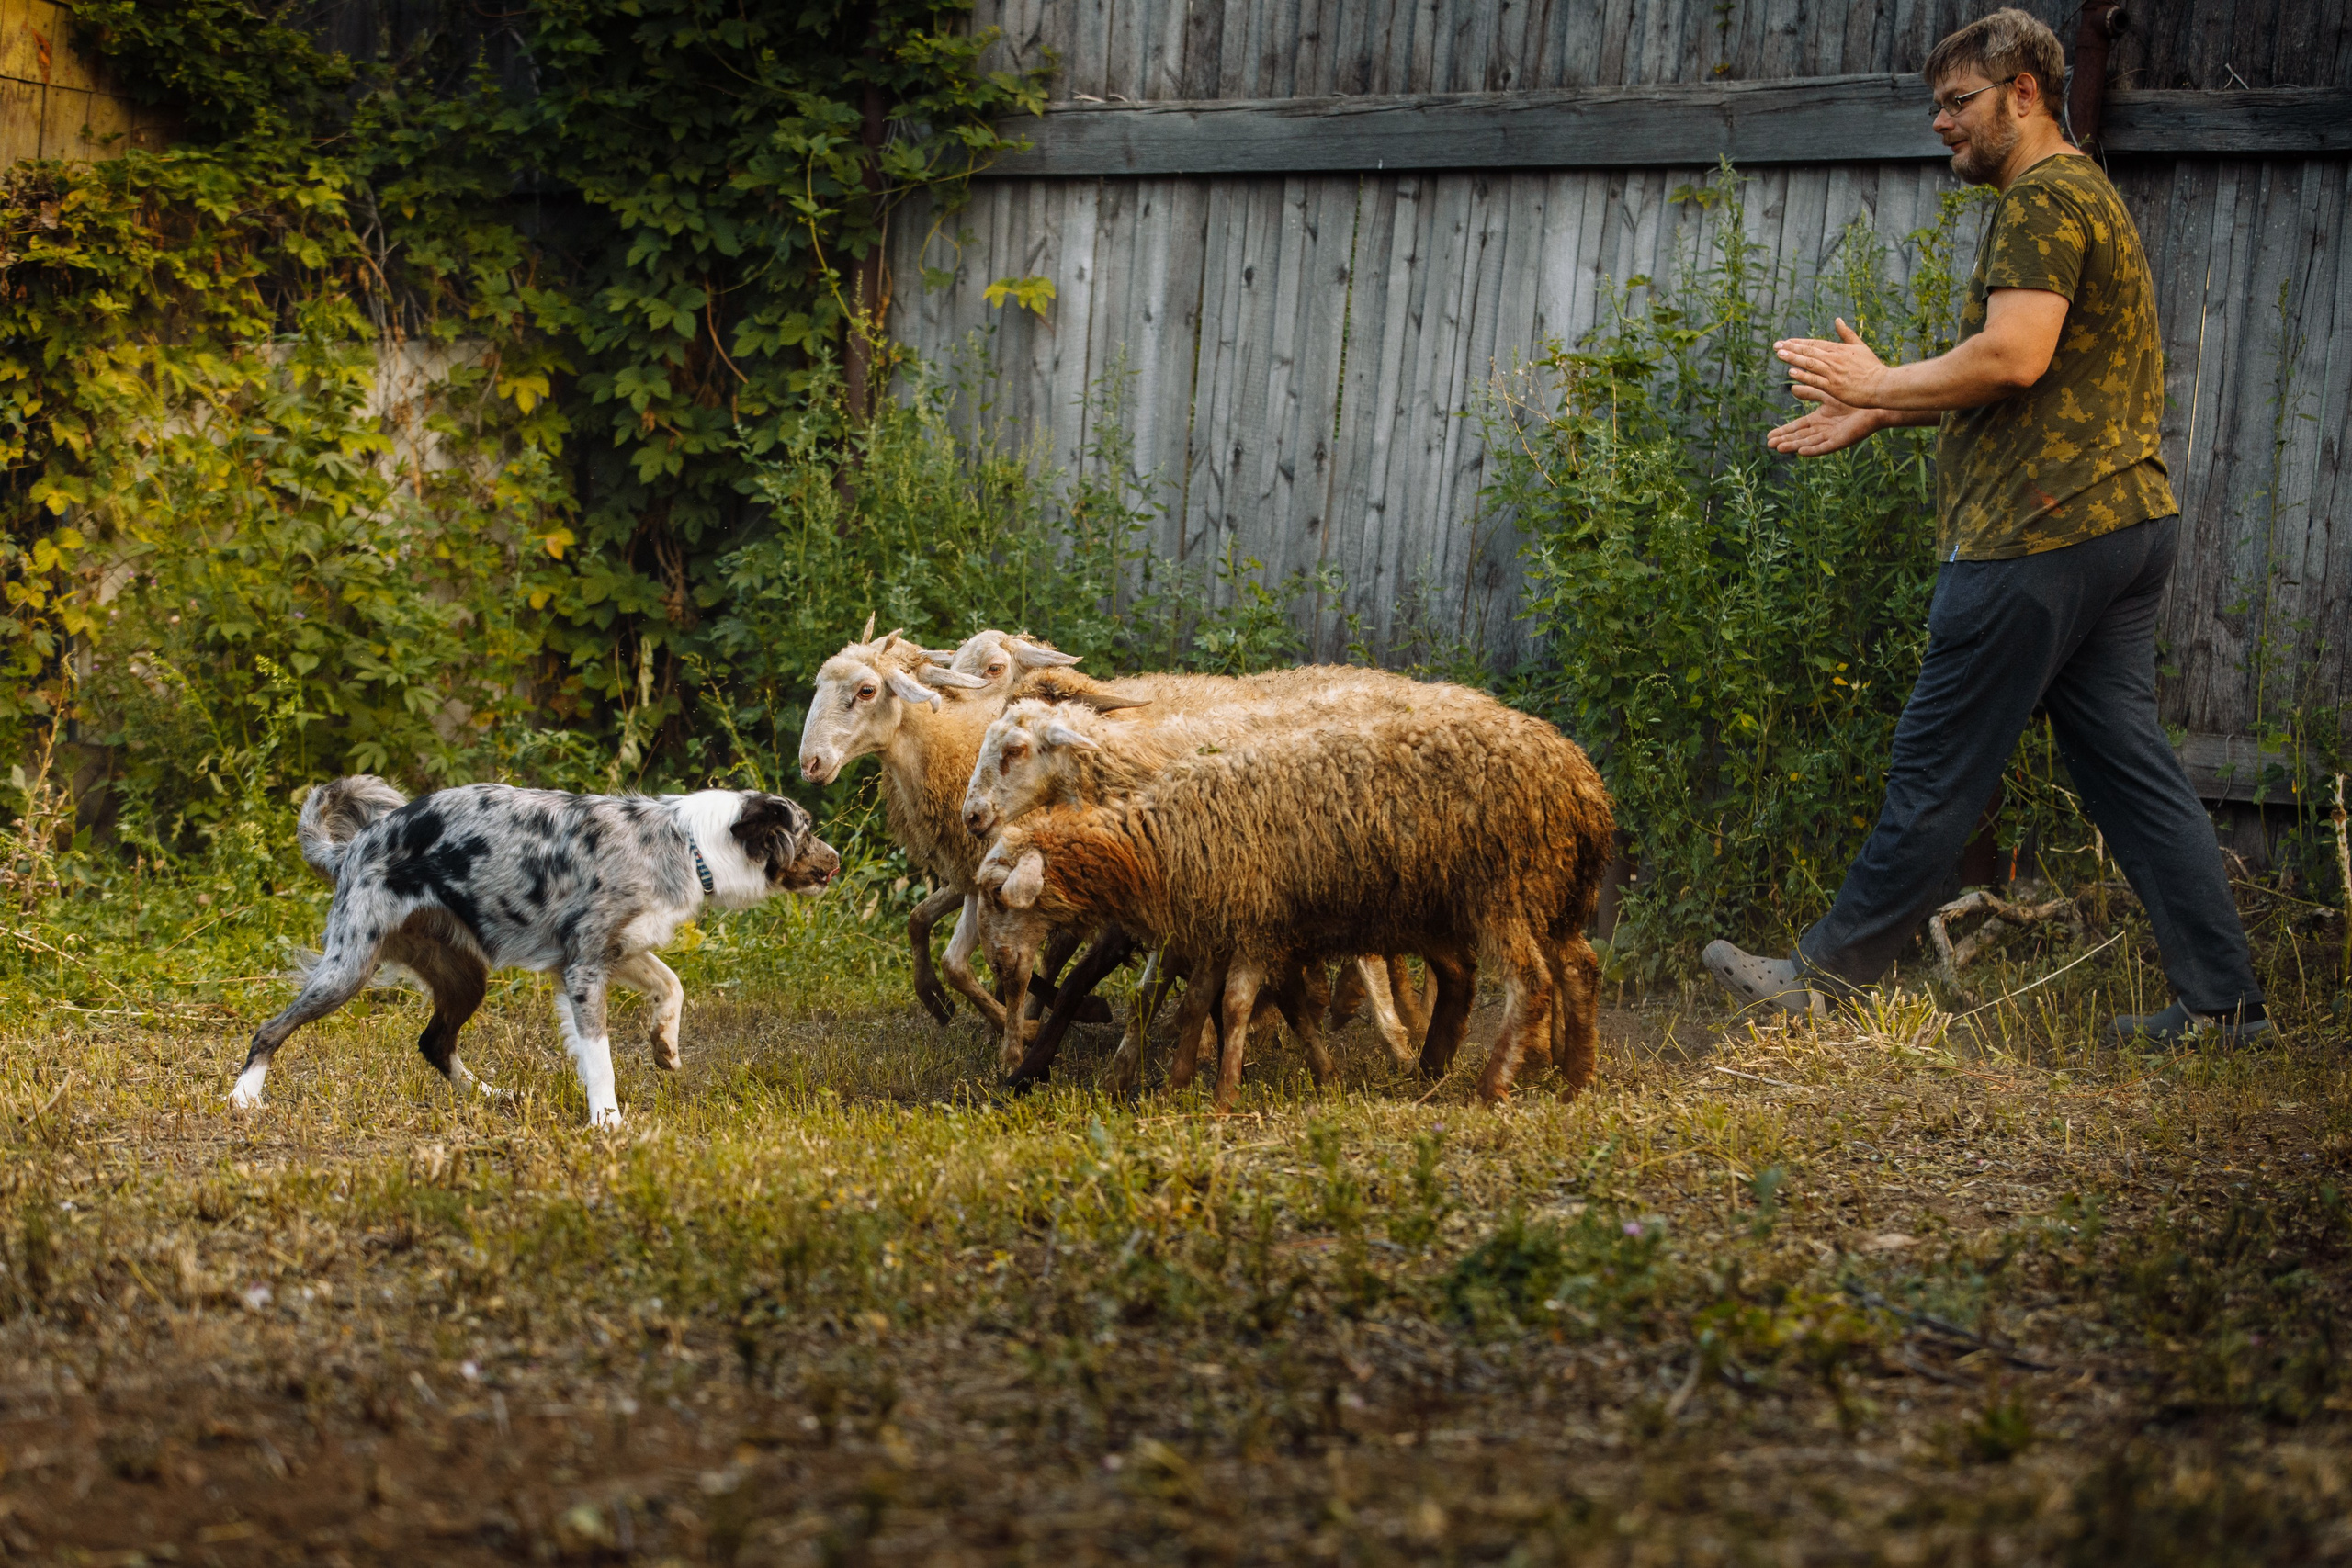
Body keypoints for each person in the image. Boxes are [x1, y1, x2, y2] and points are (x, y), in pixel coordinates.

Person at [1701, 8, 2269, 1045]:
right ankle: (2223, 1008)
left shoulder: (2043, 199)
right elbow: (2029, 371)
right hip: (2118, 522)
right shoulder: (2082, 195)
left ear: (2024, 93)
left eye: (1958, 102)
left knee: (1937, 760)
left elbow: (2014, 357)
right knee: (2131, 775)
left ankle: (1827, 980)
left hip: (2036, 535)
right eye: (1934, 106)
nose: (1939, 124)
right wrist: (1886, 403)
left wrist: (1879, 377)